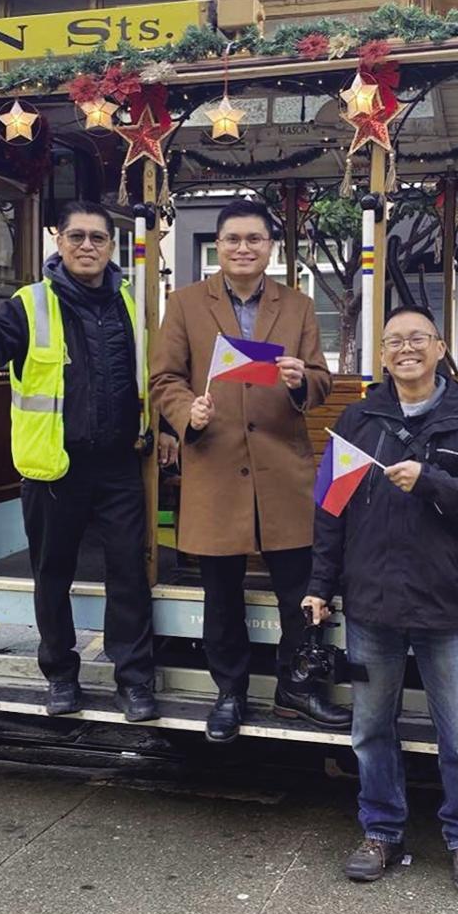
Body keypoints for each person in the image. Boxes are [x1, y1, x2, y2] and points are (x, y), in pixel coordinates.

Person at [0, 200, 158, 723]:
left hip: (118, 465)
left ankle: (134, 683)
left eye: (98, 238)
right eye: (77, 236)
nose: (87, 246)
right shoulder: (30, 304)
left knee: (129, 574)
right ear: (58, 242)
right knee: (52, 575)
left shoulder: (133, 304)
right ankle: (60, 676)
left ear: (112, 247)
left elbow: (153, 373)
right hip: (53, 468)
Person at [304, 306, 458, 895]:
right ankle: (381, 830)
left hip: (444, 603)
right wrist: (320, 586)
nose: (406, 348)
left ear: (441, 348)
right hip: (370, 602)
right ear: (383, 354)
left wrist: (433, 482)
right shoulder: (358, 419)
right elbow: (329, 510)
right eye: (394, 341)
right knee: (370, 730)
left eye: (418, 338)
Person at [150, 197, 347, 742]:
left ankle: (297, 687)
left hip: (283, 470)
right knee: (222, 592)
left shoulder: (298, 305)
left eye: (254, 239)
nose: (243, 248)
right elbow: (164, 378)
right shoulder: (186, 304)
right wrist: (187, 410)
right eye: (233, 239)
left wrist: (299, 380)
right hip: (215, 466)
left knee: (300, 590)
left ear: (270, 248)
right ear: (219, 246)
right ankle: (229, 693)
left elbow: (320, 378)